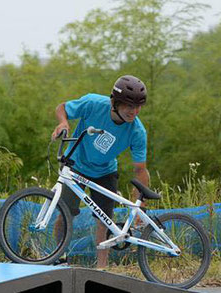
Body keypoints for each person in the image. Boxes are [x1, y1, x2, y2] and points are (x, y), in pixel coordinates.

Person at [50, 75, 149, 269]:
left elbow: (140, 169)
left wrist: (141, 205)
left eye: (138, 107)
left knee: (104, 221)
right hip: (75, 163)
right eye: (129, 106)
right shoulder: (93, 103)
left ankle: (101, 268)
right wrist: (63, 123)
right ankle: (59, 257)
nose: (134, 112)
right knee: (65, 214)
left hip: (105, 171)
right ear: (115, 102)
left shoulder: (137, 131)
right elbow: (61, 108)